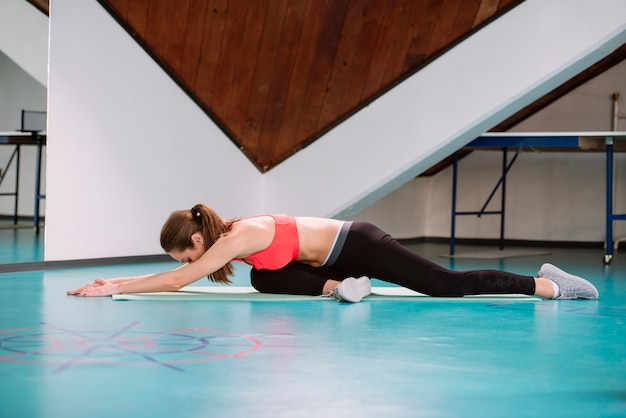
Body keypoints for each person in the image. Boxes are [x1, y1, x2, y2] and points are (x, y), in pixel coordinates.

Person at [67, 204, 599, 302]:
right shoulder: (237, 244)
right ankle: (339, 289)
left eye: (185, 255)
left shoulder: (240, 235)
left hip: (358, 243)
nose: (185, 264)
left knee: (445, 285)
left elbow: (178, 282)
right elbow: (185, 275)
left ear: (198, 241)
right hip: (332, 265)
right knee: (261, 279)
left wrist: (113, 286)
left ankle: (548, 284)